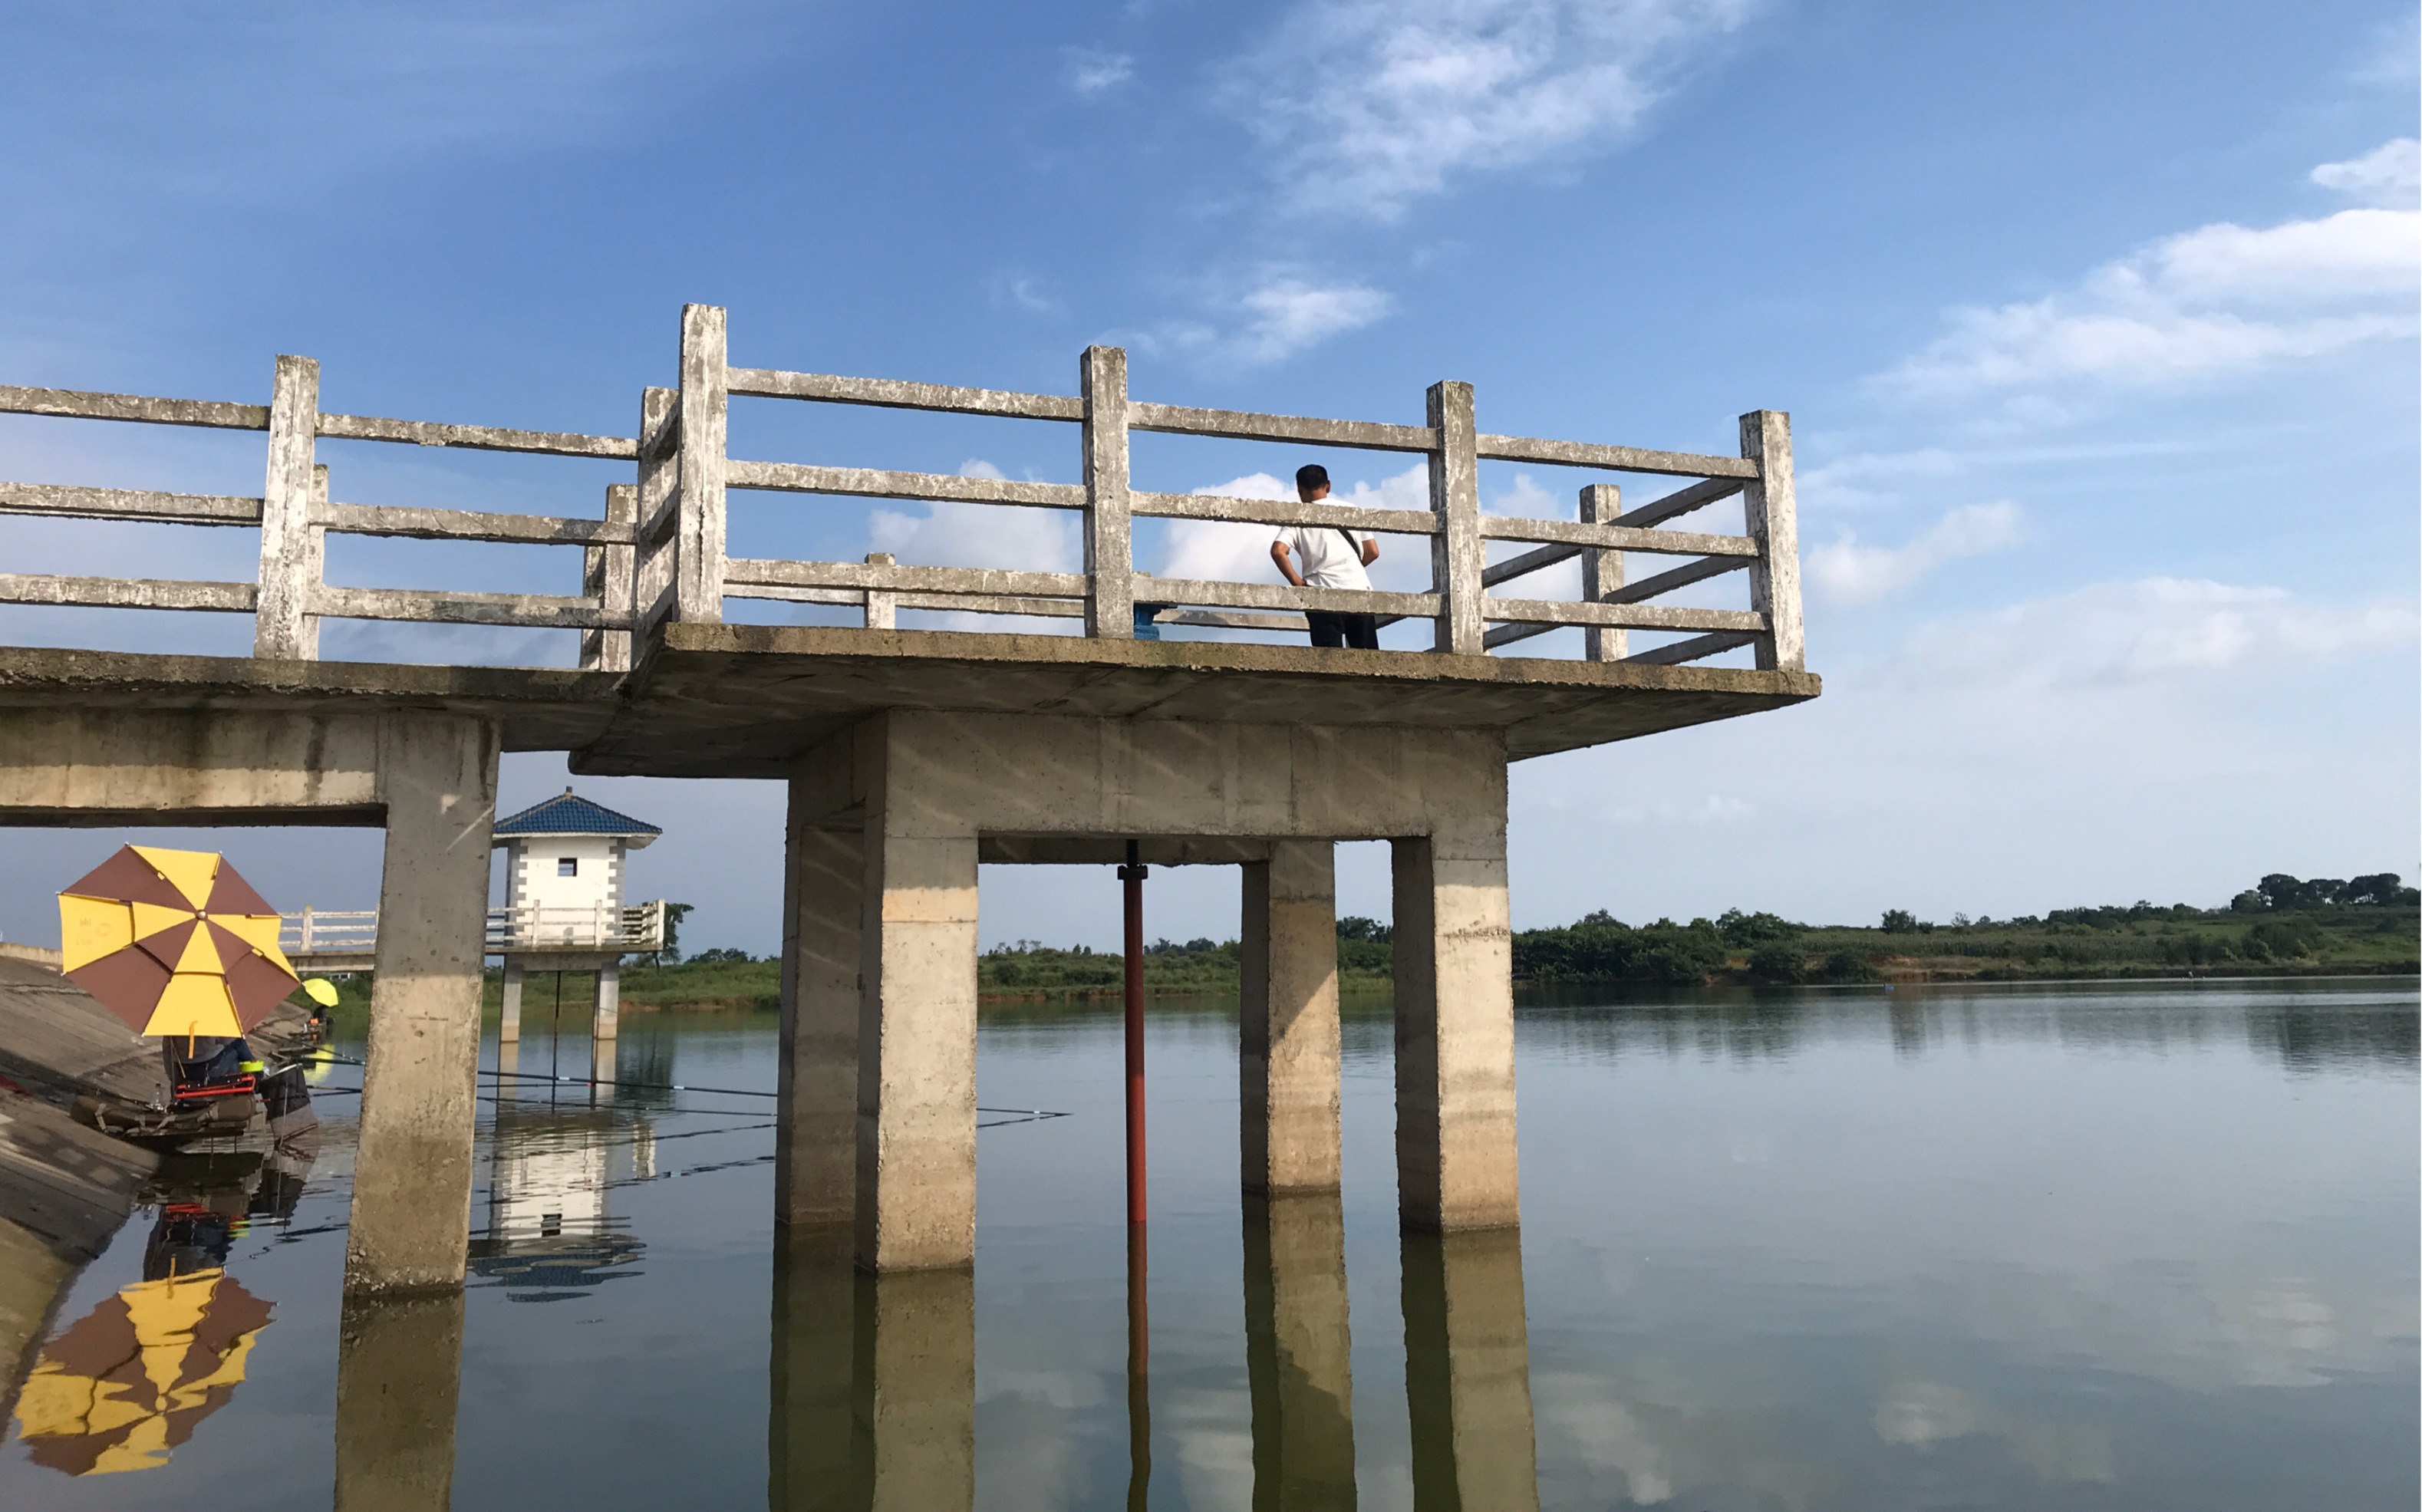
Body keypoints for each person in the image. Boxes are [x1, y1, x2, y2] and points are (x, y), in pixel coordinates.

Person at [1270, 464, 1381, 649]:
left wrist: (1297, 583)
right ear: (1328, 486)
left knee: (1328, 659)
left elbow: (1278, 551)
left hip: (1321, 592)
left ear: (1300, 489)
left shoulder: (1297, 517)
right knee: (1368, 658)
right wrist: (1348, 568)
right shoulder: (1352, 510)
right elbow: (1373, 551)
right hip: (1359, 589)